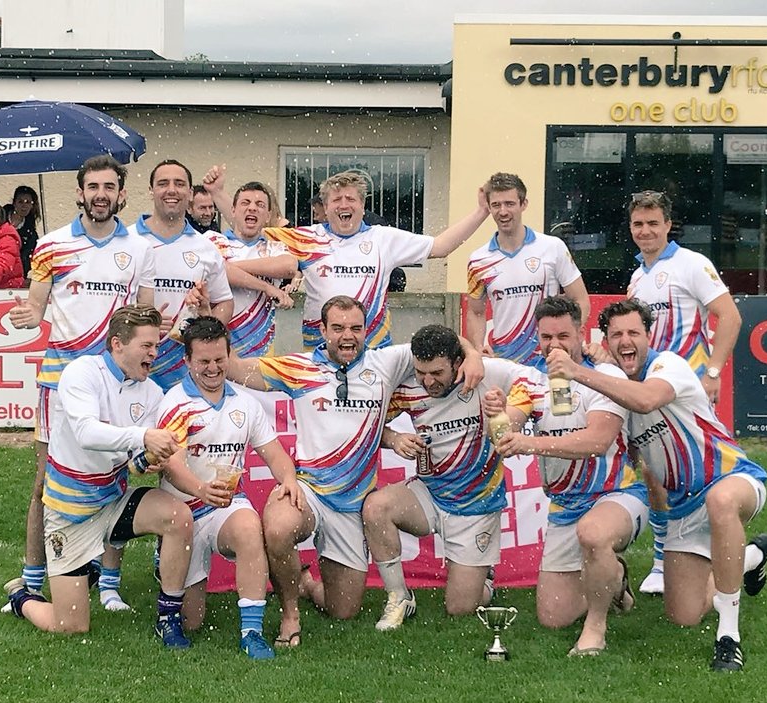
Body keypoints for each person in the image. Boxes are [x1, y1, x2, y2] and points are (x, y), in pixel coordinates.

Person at [226, 295, 483, 648]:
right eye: (338, 328)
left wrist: (472, 356)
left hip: (351, 510)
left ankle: (305, 583)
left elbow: (446, 342)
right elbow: (234, 368)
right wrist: (203, 322)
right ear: (322, 330)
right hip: (310, 492)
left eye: (356, 328)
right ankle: (290, 614)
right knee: (279, 526)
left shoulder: (388, 362)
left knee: (342, 610)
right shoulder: (300, 367)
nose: (348, 336)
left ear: (367, 330)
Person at [546, 298, 767, 672]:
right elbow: (648, 471)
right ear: (605, 339)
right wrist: (663, 538)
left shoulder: (669, 365)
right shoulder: (614, 390)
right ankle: (749, 558)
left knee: (721, 500)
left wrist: (576, 370)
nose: (625, 340)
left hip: (732, 478)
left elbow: (648, 399)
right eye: (616, 334)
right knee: (683, 615)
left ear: (649, 337)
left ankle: (728, 636)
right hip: (683, 508)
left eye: (634, 332)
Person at [6, 155, 156, 610]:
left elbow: (146, 317)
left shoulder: (140, 249)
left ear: (121, 194)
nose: (100, 194)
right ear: (80, 192)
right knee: (44, 483)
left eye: (109, 187)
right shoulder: (51, 245)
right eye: (93, 187)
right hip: (60, 382)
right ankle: (33, 580)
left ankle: (108, 583)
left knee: (117, 480)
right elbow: (37, 304)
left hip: (115, 384)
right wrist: (30, 315)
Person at [4, 305, 195, 648]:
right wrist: (143, 438)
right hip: (70, 514)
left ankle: (169, 617)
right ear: (117, 344)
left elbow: (134, 461)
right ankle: (21, 597)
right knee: (70, 625)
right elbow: (86, 434)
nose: (155, 353)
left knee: (179, 517)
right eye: (147, 346)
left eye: (156, 346)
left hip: (112, 504)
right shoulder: (81, 373)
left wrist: (148, 460)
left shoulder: (151, 392)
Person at [492, 296, 647, 656]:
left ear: (581, 333)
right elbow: (503, 438)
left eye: (563, 335)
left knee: (593, 534)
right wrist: (497, 416)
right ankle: (614, 578)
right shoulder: (531, 382)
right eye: (547, 337)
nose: (555, 345)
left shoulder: (605, 377)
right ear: (537, 338)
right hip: (565, 505)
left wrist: (530, 443)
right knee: (552, 616)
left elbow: (597, 441)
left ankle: (596, 629)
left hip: (615, 495)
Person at [155, 316, 300, 659]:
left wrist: (289, 479)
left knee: (250, 527)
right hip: (183, 513)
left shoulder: (245, 403)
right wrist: (200, 489)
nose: (212, 368)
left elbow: (275, 454)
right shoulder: (175, 404)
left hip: (225, 507)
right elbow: (171, 466)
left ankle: (251, 633)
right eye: (203, 361)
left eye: (219, 359)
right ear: (187, 360)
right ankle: (166, 570)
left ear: (228, 355)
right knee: (191, 621)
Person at [216, 168, 489, 350]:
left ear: (362, 205)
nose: (343, 205)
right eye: (336, 200)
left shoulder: (384, 238)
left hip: (373, 349)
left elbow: (441, 246)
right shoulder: (306, 237)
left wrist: (481, 212)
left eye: (350, 199)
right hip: (321, 352)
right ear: (325, 207)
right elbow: (248, 223)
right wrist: (218, 194)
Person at [364, 324, 523, 630]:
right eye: (421, 371)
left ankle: (483, 580)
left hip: (476, 507)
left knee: (460, 609)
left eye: (437, 373)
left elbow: (532, 382)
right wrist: (395, 439)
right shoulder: (410, 387)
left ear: (457, 362)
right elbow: (365, 423)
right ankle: (399, 597)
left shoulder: (488, 373)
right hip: (430, 494)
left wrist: (509, 409)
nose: (427, 381)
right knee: (375, 508)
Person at [625, 190, 743, 596]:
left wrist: (712, 372)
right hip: (652, 394)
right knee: (655, 474)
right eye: (638, 224)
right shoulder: (637, 276)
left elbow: (729, 316)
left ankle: (728, 559)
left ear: (668, 225)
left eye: (653, 223)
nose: (646, 231)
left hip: (687, 394)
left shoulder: (693, 264)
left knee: (704, 479)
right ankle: (662, 560)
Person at [466, 172, 590, 365]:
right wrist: (477, 346)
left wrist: (568, 340)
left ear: (523, 204)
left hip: (549, 360)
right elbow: (476, 312)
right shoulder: (478, 260)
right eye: (496, 205)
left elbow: (580, 299)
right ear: (489, 208)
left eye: (510, 203)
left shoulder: (552, 247)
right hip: (506, 362)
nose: (503, 211)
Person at [131, 159, 233, 392]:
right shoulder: (128, 241)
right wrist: (141, 322)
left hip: (188, 374)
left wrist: (208, 326)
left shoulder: (205, 246)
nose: (171, 190)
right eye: (163, 183)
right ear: (151, 191)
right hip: (136, 371)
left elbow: (225, 301)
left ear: (189, 193)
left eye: (179, 184)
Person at [206, 181, 297, 357]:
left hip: (260, 353)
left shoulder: (275, 248)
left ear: (268, 215)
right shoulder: (213, 241)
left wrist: (227, 269)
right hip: (216, 346)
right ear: (233, 210)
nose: (252, 208)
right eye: (245, 203)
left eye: (260, 205)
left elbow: (289, 267)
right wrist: (266, 287)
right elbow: (215, 270)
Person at [3, 185, 41, 279]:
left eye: (28, 202)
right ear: (14, 203)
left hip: (16, 276)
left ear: (32, 205)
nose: (24, 206)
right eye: (20, 202)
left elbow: (27, 259)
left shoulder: (31, 235)